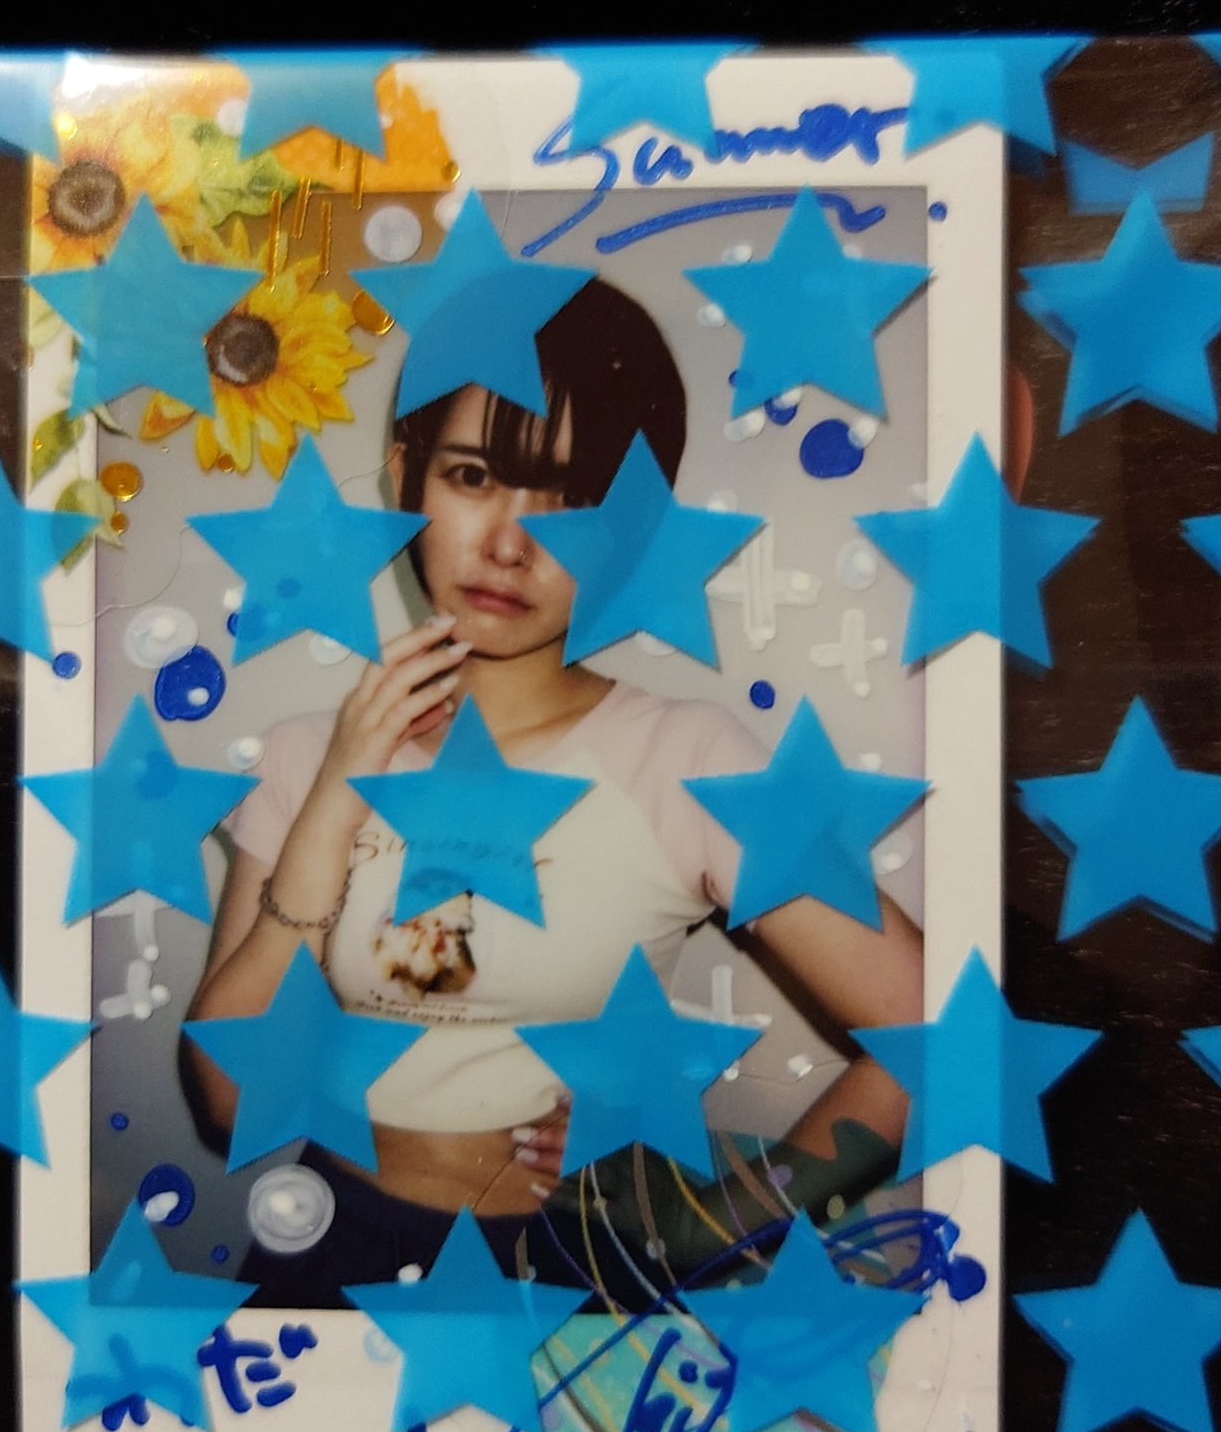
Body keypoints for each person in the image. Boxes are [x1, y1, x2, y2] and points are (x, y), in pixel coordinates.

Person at [183, 277, 924, 1308]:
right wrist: (336, 804)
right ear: (405, 475)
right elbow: (232, 1100)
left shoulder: (688, 758)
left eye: (572, 501)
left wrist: (711, 1223)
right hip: (326, 1262)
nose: (510, 543)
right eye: (474, 475)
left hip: (570, 1286)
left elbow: (938, 1033)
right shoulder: (306, 756)